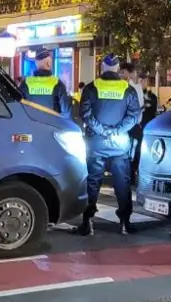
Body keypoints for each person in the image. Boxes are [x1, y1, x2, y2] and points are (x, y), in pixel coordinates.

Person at [78, 54, 142, 236]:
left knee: (92, 181)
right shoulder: (127, 90)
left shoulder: (91, 88)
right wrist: (117, 130)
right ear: (116, 69)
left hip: (96, 142)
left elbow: (86, 114)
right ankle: (125, 222)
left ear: (102, 68)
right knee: (122, 183)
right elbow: (133, 116)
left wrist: (103, 130)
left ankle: (87, 222)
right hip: (119, 143)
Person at [17, 50, 71, 118]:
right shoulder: (57, 83)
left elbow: (18, 106)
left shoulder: (25, 83)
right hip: (52, 126)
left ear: (36, 64)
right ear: (48, 63)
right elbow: (65, 111)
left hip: (30, 125)